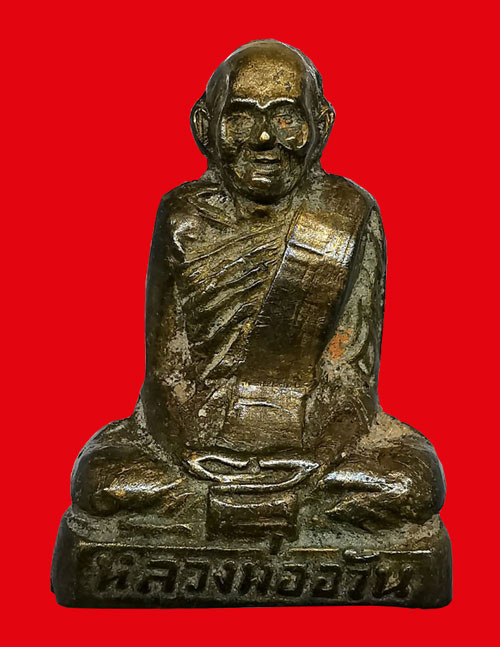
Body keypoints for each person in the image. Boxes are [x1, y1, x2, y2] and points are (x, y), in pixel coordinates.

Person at [71, 40, 445, 536]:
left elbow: (352, 374)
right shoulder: (183, 217)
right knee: (101, 481)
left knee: (410, 484)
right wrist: (189, 452)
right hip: (196, 444)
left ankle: (222, 514)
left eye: (286, 118)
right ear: (204, 127)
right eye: (241, 117)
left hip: (313, 445)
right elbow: (165, 374)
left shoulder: (347, 215)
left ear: (322, 125)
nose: (265, 138)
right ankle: (269, 514)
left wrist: (313, 456)